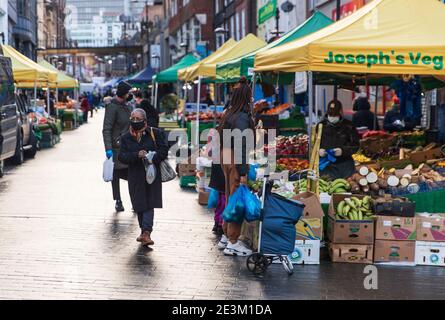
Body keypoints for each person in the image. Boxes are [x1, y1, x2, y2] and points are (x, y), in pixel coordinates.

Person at [118, 108, 169, 246]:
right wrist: (136, 155)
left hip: (151, 174)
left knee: (149, 203)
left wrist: (152, 156)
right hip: (135, 175)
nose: (135, 121)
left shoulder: (155, 133)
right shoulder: (126, 137)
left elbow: (164, 150)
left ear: (144, 121)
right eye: (132, 119)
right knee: (139, 204)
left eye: (138, 119)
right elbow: (122, 156)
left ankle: (147, 232)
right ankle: (143, 231)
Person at [217, 77, 255, 257]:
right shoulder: (241, 117)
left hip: (226, 157)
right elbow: (240, 144)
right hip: (234, 159)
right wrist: (242, 172)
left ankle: (226, 235)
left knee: (230, 197)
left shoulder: (229, 113)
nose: (252, 99)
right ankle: (232, 241)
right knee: (237, 200)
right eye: (250, 96)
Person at [102, 81, 133, 212]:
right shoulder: (112, 107)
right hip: (116, 147)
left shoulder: (126, 106)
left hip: (129, 146)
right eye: (129, 93)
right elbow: (106, 129)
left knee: (132, 174)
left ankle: (135, 200)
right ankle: (118, 200)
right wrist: (108, 148)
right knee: (116, 174)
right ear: (124, 93)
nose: (131, 95)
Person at [318, 100, 360, 180]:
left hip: (345, 165)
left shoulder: (349, 126)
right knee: (327, 187)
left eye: (335, 114)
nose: (332, 117)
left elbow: (355, 145)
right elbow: (312, 145)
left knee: (347, 187)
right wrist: (318, 151)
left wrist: (343, 151)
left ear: (340, 112)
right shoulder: (320, 126)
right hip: (326, 166)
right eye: (330, 114)